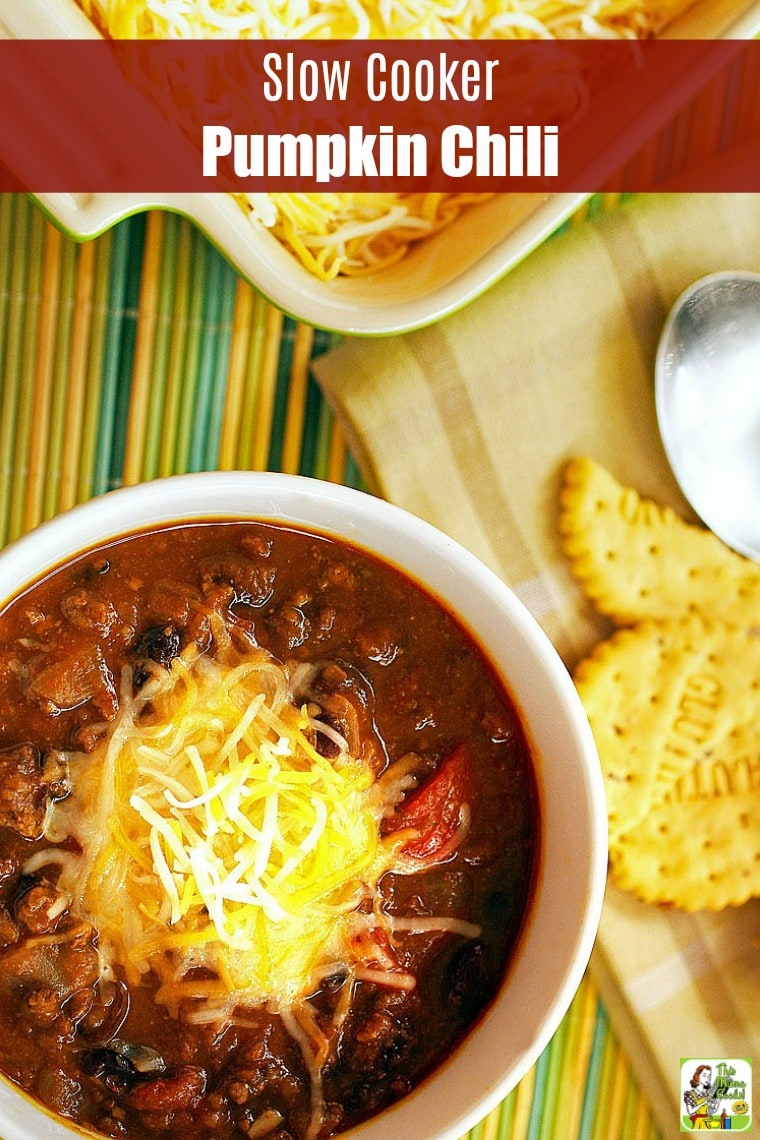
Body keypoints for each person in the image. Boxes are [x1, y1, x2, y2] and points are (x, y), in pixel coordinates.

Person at [683, 1065, 722, 1130]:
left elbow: (712, 1111)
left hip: (708, 1123)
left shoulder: (709, 1093)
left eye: (709, 1076)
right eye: (704, 1075)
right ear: (697, 1076)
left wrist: (718, 1102)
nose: (707, 1078)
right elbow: (690, 1111)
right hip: (698, 1124)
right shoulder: (690, 1094)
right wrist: (703, 1103)